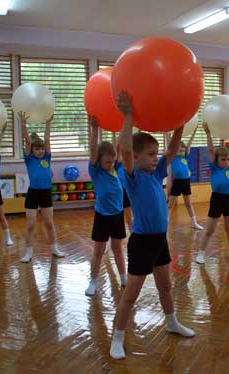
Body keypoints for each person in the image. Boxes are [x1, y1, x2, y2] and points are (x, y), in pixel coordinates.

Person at [110, 91, 194, 360]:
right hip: (142, 243)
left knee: (165, 286)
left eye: (155, 153)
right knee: (131, 295)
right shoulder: (131, 175)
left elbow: (172, 149)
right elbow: (124, 149)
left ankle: (171, 321)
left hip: (160, 241)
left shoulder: (157, 172)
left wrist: (181, 120)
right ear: (135, 157)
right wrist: (128, 117)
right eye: (150, 154)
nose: (156, 157)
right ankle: (118, 336)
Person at [85, 117, 127, 296]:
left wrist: (125, 122)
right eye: (107, 162)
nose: (111, 164)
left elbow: (118, 145)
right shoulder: (95, 171)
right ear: (99, 161)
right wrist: (95, 130)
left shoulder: (115, 168)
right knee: (99, 251)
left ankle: (124, 277)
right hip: (102, 215)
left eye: (112, 161)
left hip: (117, 215)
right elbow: (94, 149)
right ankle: (93, 281)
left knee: (118, 249)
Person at [19, 112, 64, 263]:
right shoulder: (29, 159)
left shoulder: (47, 157)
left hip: (46, 193)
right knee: (31, 224)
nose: (40, 151)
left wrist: (48, 123)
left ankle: (54, 248)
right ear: (31, 150)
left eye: (41, 148)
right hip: (33, 193)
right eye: (37, 149)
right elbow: (26, 140)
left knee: (49, 223)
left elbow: (47, 139)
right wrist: (23, 124)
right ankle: (28, 251)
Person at [195, 123, 229, 265]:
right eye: (223, 159)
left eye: (227, 159)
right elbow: (210, 149)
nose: (226, 162)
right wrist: (208, 133)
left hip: (228, 199)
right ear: (217, 160)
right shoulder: (214, 168)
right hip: (216, 199)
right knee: (210, 230)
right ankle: (201, 254)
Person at [167, 127, 203, 230]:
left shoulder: (185, 157)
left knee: (188, 203)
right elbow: (170, 146)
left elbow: (189, 144)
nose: (181, 152)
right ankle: (165, 223)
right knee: (171, 205)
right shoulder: (173, 157)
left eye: (183, 151)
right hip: (177, 182)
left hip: (186, 182)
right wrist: (167, 135)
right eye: (179, 151)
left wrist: (194, 132)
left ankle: (194, 222)